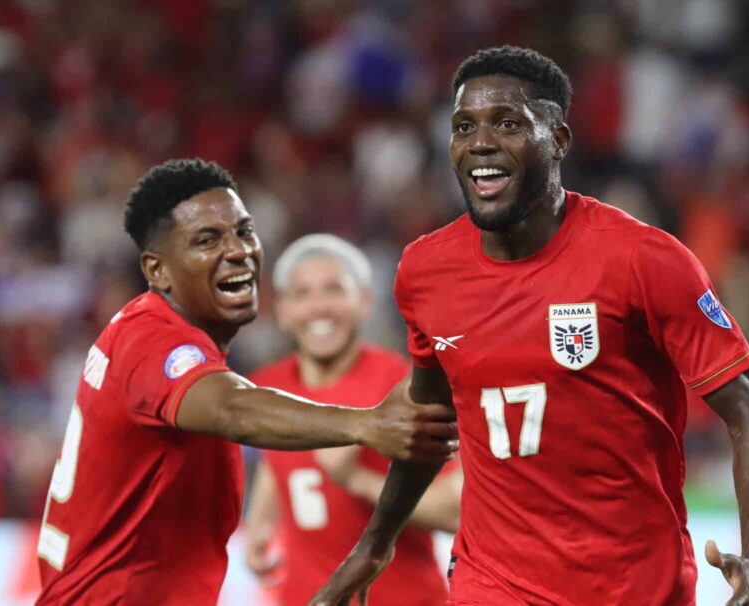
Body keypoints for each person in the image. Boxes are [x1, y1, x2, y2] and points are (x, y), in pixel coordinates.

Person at [310, 46, 749, 606]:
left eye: (507, 123)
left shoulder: (642, 259)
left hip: (635, 586)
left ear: (558, 140)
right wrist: (373, 546)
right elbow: (431, 419)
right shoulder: (424, 271)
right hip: (493, 583)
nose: (480, 143)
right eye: (463, 126)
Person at [35, 159, 457, 605]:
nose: (238, 250)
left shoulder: (164, 340)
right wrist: (366, 425)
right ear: (157, 271)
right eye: (206, 240)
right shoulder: (153, 340)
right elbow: (232, 409)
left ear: (364, 302)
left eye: (244, 231)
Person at [243, 234, 462, 606]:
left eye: (333, 289)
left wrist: (356, 479)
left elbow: (457, 512)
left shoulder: (404, 387)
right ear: (280, 310)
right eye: (302, 293)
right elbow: (275, 455)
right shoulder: (268, 385)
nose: (318, 307)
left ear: (364, 302)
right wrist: (260, 522)